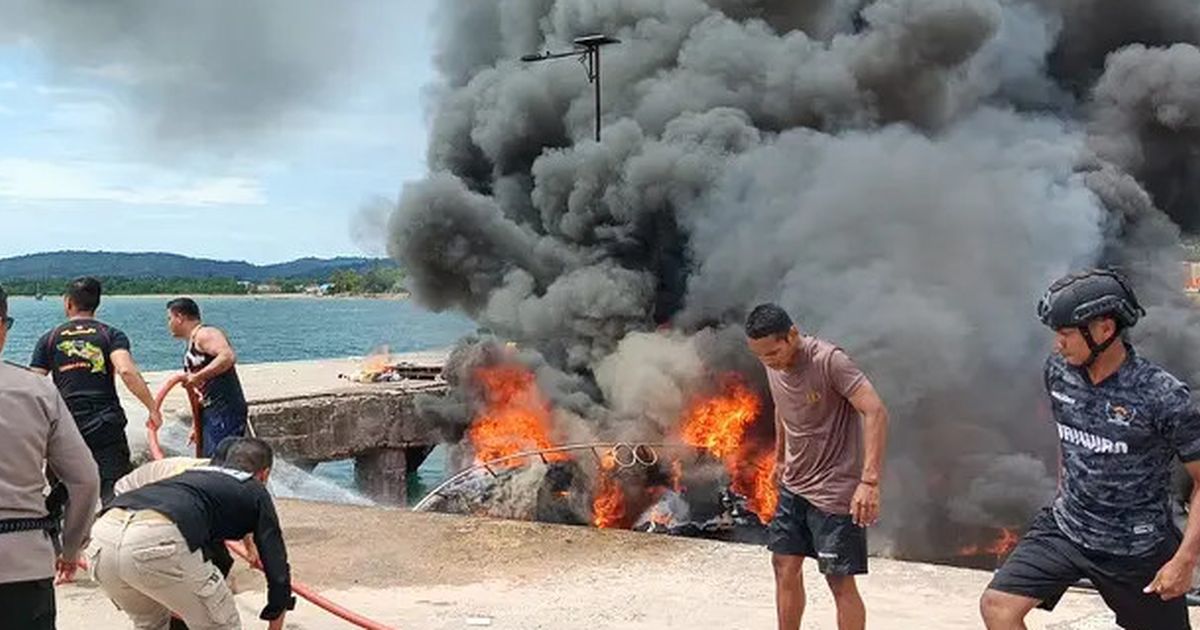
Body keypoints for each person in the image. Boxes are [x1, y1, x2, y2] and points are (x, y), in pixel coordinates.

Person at [981, 269, 1200, 630]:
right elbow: (1069, 443)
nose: (1057, 345)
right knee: (998, 606)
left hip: (1136, 550)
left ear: (1104, 329)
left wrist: (1184, 560)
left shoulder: (1162, 395)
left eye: (1066, 334)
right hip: (1067, 529)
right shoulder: (1058, 372)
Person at [745, 303, 890, 630]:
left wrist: (869, 482)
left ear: (792, 334)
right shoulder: (772, 365)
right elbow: (783, 409)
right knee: (783, 565)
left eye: (773, 353)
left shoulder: (829, 361)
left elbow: (876, 411)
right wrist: (780, 457)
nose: (769, 362)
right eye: (760, 357)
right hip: (795, 485)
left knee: (839, 581)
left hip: (835, 491)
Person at [87, 437, 293, 629]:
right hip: (155, 536)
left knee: (152, 624)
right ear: (264, 474)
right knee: (222, 624)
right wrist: (276, 617)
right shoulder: (254, 489)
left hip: (103, 535)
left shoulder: (193, 474)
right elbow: (278, 573)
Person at [0, 284, 101, 630]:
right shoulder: (37, 391)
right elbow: (85, 481)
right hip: (23, 564)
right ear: (1, 327)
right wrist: (70, 549)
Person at [31, 276, 162, 503]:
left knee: (62, 494)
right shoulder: (110, 334)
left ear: (68, 302)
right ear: (96, 304)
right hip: (105, 423)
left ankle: (62, 535)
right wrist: (152, 408)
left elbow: (34, 384)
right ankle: (110, 533)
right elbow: (127, 371)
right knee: (114, 491)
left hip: (65, 423)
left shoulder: (50, 338)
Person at [166, 297, 249, 457]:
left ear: (179, 317)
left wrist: (198, 376)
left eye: (169, 318)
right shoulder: (192, 343)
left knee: (220, 462)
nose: (168, 324)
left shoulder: (205, 334)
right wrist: (196, 426)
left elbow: (227, 356)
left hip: (224, 410)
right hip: (210, 411)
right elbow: (198, 391)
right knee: (209, 460)